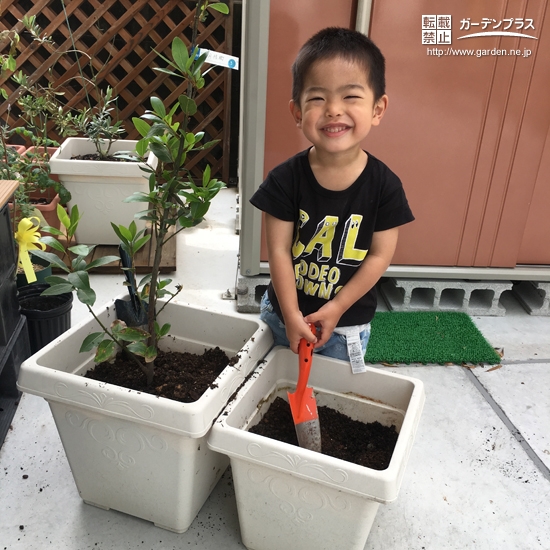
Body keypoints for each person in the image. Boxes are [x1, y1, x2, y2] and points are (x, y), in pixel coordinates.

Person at [250, 27, 414, 370]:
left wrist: (337, 307)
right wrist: (292, 314)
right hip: (282, 316)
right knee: (270, 385)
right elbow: (278, 250)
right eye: (317, 98)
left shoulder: (385, 187)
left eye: (351, 96)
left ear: (378, 109)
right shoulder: (284, 180)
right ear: (297, 112)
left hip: (346, 326)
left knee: (331, 396)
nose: (333, 110)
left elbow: (379, 256)